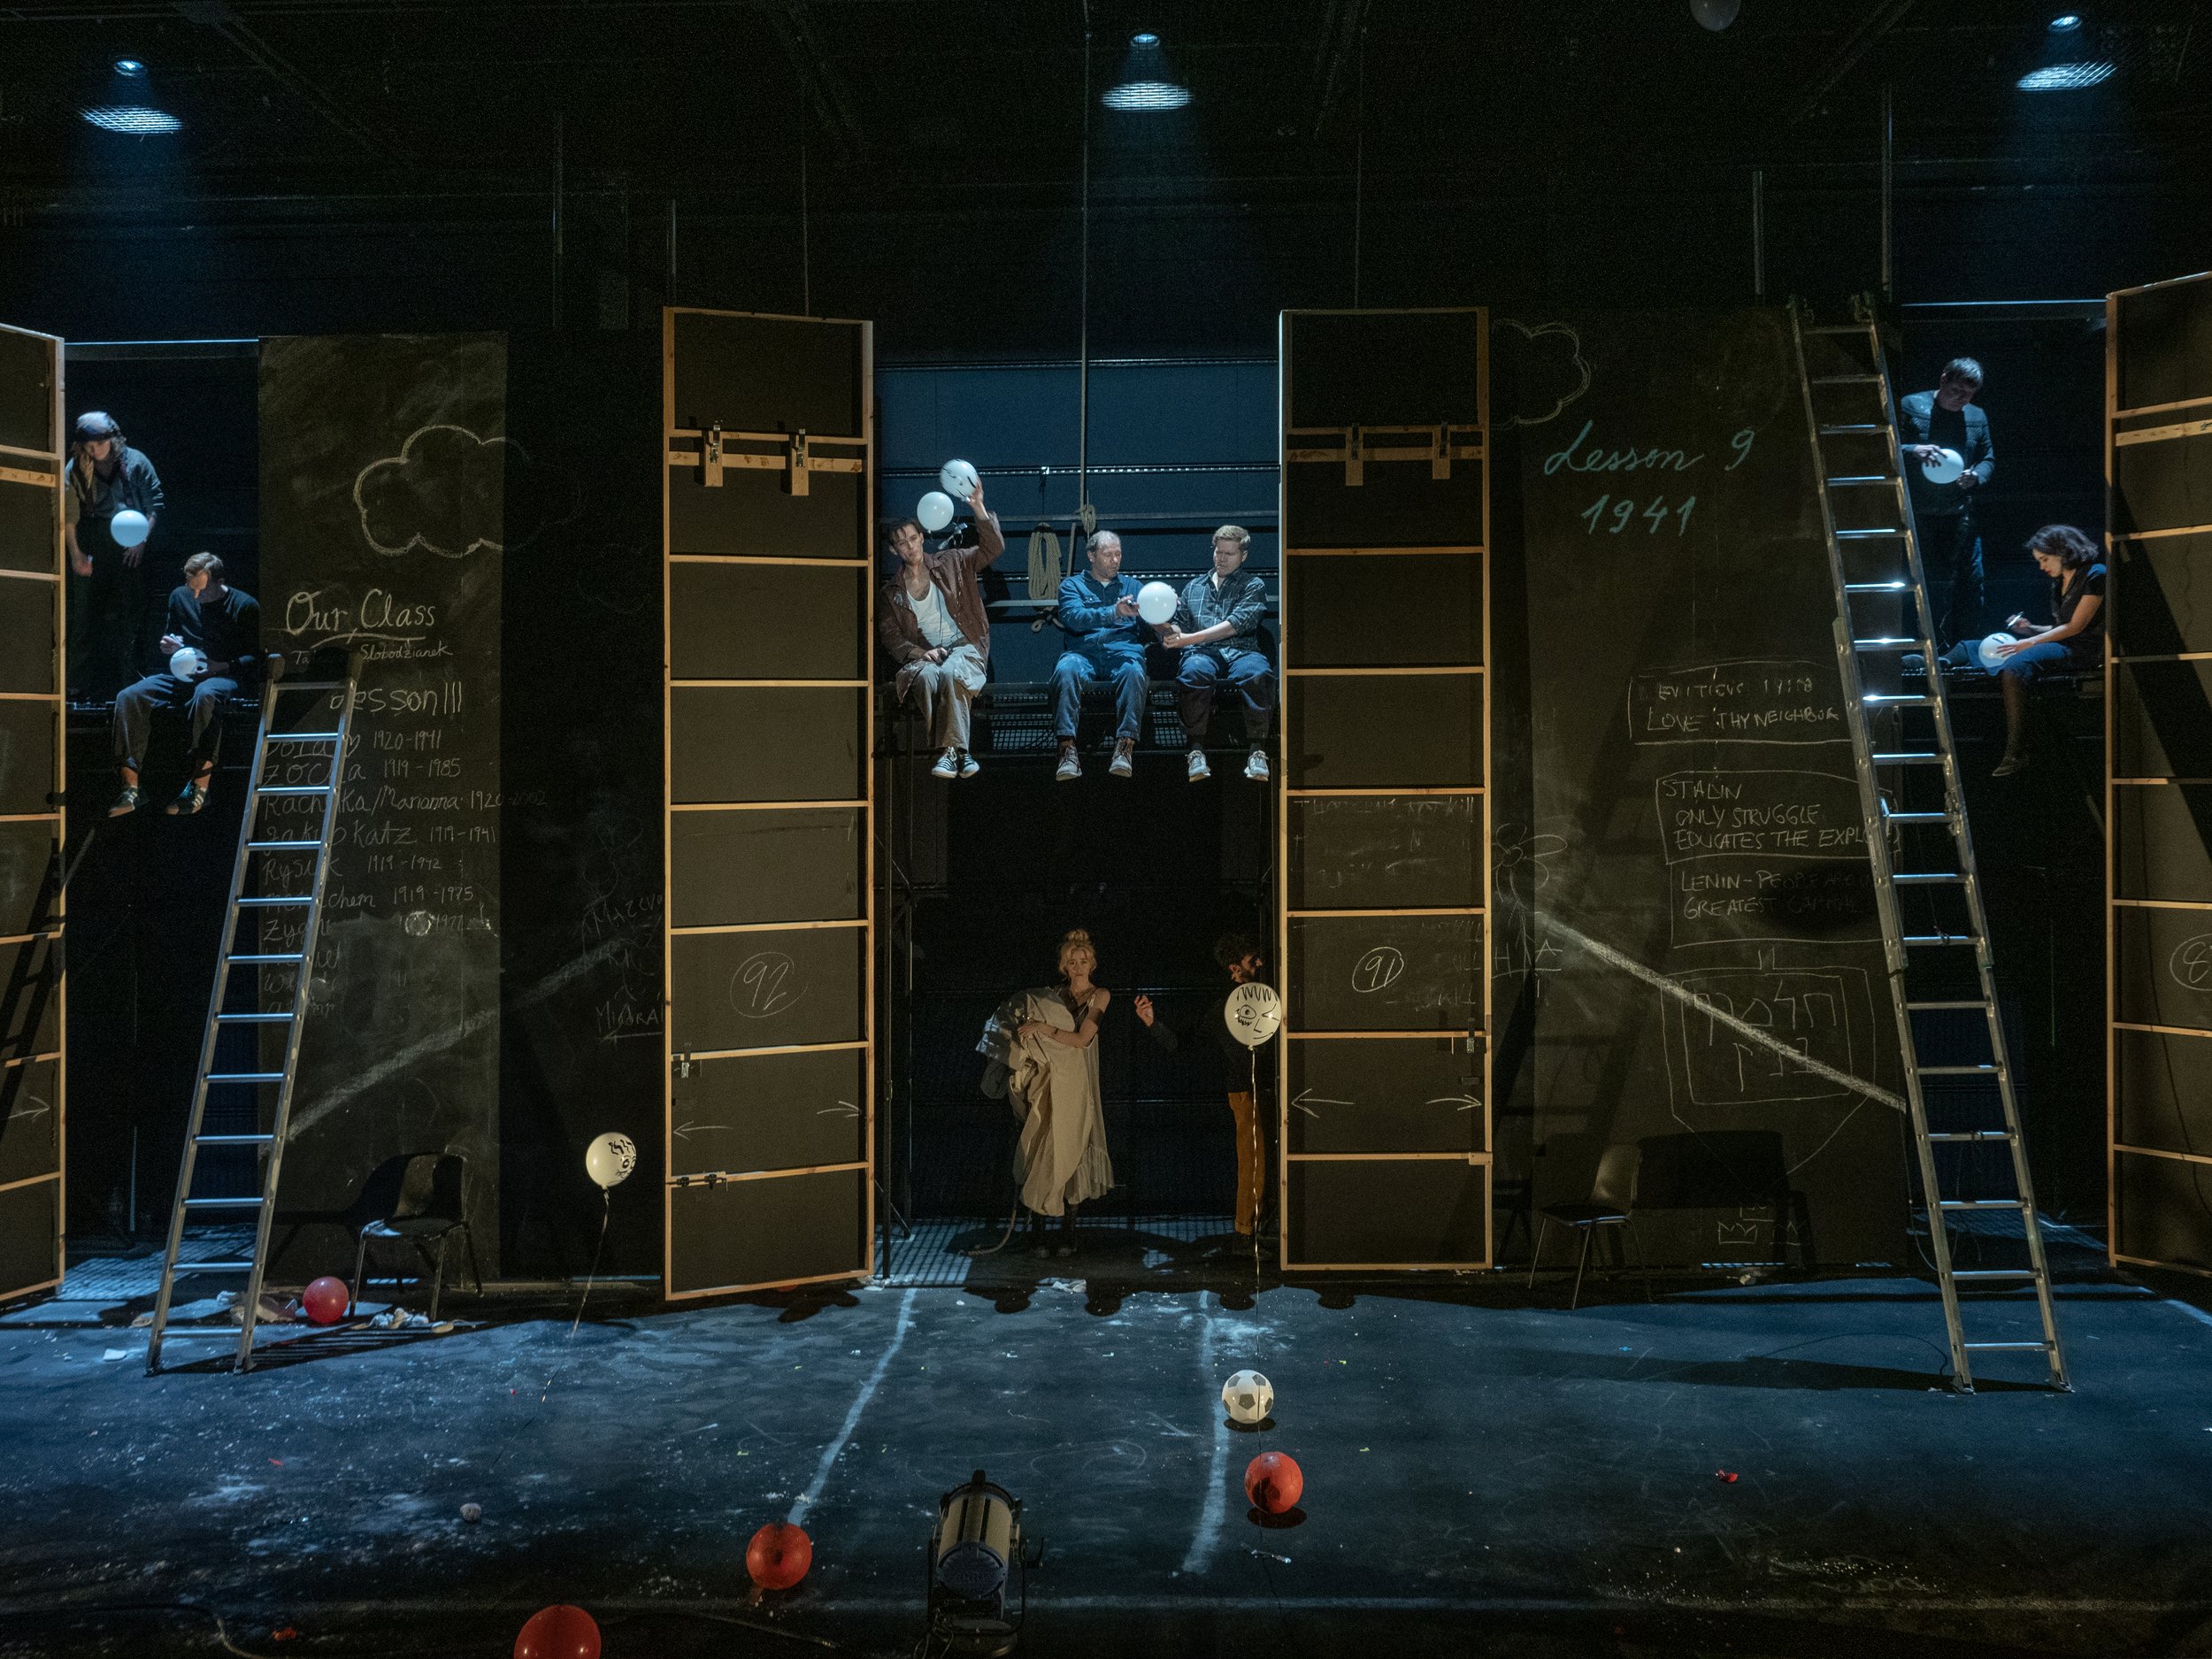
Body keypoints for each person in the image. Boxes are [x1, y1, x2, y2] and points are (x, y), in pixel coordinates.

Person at [1135, 933, 1274, 1240]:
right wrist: (1153, 1024)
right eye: (1253, 960)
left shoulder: (1264, 997)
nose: (1261, 963)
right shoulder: (1224, 1008)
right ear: (1234, 969)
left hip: (1265, 1088)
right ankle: (1246, 1231)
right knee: (1254, 1163)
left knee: (1262, 1161)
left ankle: (1257, 1227)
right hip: (1245, 1090)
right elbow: (1185, 1044)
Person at [111, 553, 261, 817]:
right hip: (186, 675)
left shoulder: (244, 605)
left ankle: (199, 787)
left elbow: (253, 658)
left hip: (223, 676)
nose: (195, 597)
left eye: (202, 591)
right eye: (192, 588)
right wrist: (169, 646)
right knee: (129, 696)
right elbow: (172, 637)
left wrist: (220, 666)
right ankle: (131, 788)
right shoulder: (179, 596)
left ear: (219, 582)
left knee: (206, 693)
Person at [876, 480, 1006, 780]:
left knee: (951, 673)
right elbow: (893, 639)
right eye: (902, 543)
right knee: (929, 677)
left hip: (966, 646)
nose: (910, 546)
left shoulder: (953, 562)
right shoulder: (891, 594)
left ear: (922, 537)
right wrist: (923, 652)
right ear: (895, 550)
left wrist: (977, 506)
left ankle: (950, 752)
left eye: (913, 538)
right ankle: (960, 752)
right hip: (928, 656)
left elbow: (993, 548)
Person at [1001, 929, 1117, 1255]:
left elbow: (1082, 1039)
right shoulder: (1051, 996)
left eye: (1083, 961)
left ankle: (1069, 1230)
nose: (1078, 967)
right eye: (1072, 962)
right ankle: (1038, 1230)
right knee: (1042, 1145)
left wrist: (1043, 1028)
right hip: (1048, 1080)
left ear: (1091, 964)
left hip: (1077, 1079)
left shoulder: (1100, 995)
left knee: (1072, 1144)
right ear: (1064, 966)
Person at [1982, 524, 2103, 779]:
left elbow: (2076, 626)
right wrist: (2030, 630)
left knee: (2016, 664)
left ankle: (2015, 750)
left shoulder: (2095, 574)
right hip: (2063, 643)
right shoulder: (2059, 582)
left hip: (2083, 650)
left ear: (2063, 551)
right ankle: (1939, 661)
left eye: (2045, 559)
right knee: (1983, 646)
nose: (2042, 567)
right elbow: (2059, 627)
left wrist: (2030, 643)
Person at [1159, 524, 1273, 783]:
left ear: (1243, 556)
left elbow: (1235, 625)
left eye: (1229, 554)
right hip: (1203, 652)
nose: (1221, 558)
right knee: (1193, 671)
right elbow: (1180, 626)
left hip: (1241, 650)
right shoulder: (1194, 587)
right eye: (1218, 552)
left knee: (1258, 673)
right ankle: (1196, 749)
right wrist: (1160, 621)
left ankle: (1257, 750)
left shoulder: (1252, 585)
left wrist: (1187, 639)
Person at [64, 411, 165, 700]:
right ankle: (77, 685)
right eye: (88, 444)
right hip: (94, 539)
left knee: (130, 613)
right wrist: (76, 555)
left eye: (100, 442)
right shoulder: (76, 467)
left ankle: (131, 681)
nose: (94, 449)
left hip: (131, 541)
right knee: (84, 615)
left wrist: (141, 539)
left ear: (113, 438)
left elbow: (154, 504)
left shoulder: (135, 461)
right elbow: (69, 516)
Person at [1899, 358, 1994, 648]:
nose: (1960, 399)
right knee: (1925, 583)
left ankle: (1965, 648)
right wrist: (1913, 449)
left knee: (1970, 582)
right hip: (1918, 515)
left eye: (1968, 394)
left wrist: (1976, 476)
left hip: (1959, 515)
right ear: (1942, 380)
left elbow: (1988, 458)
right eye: (1955, 390)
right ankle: (1923, 646)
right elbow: (1883, 445)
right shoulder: (1912, 406)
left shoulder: (1976, 416)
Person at [1051, 530, 1149, 781]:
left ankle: (1125, 746)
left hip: (1122, 650)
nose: (1115, 560)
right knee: (1066, 670)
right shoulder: (1072, 586)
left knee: (1134, 671)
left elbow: (1152, 618)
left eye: (1118, 554)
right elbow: (1074, 617)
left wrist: (1166, 608)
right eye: (1108, 555)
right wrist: (1112, 612)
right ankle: (1067, 749)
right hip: (1084, 652)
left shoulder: (1133, 586)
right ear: (1092, 556)